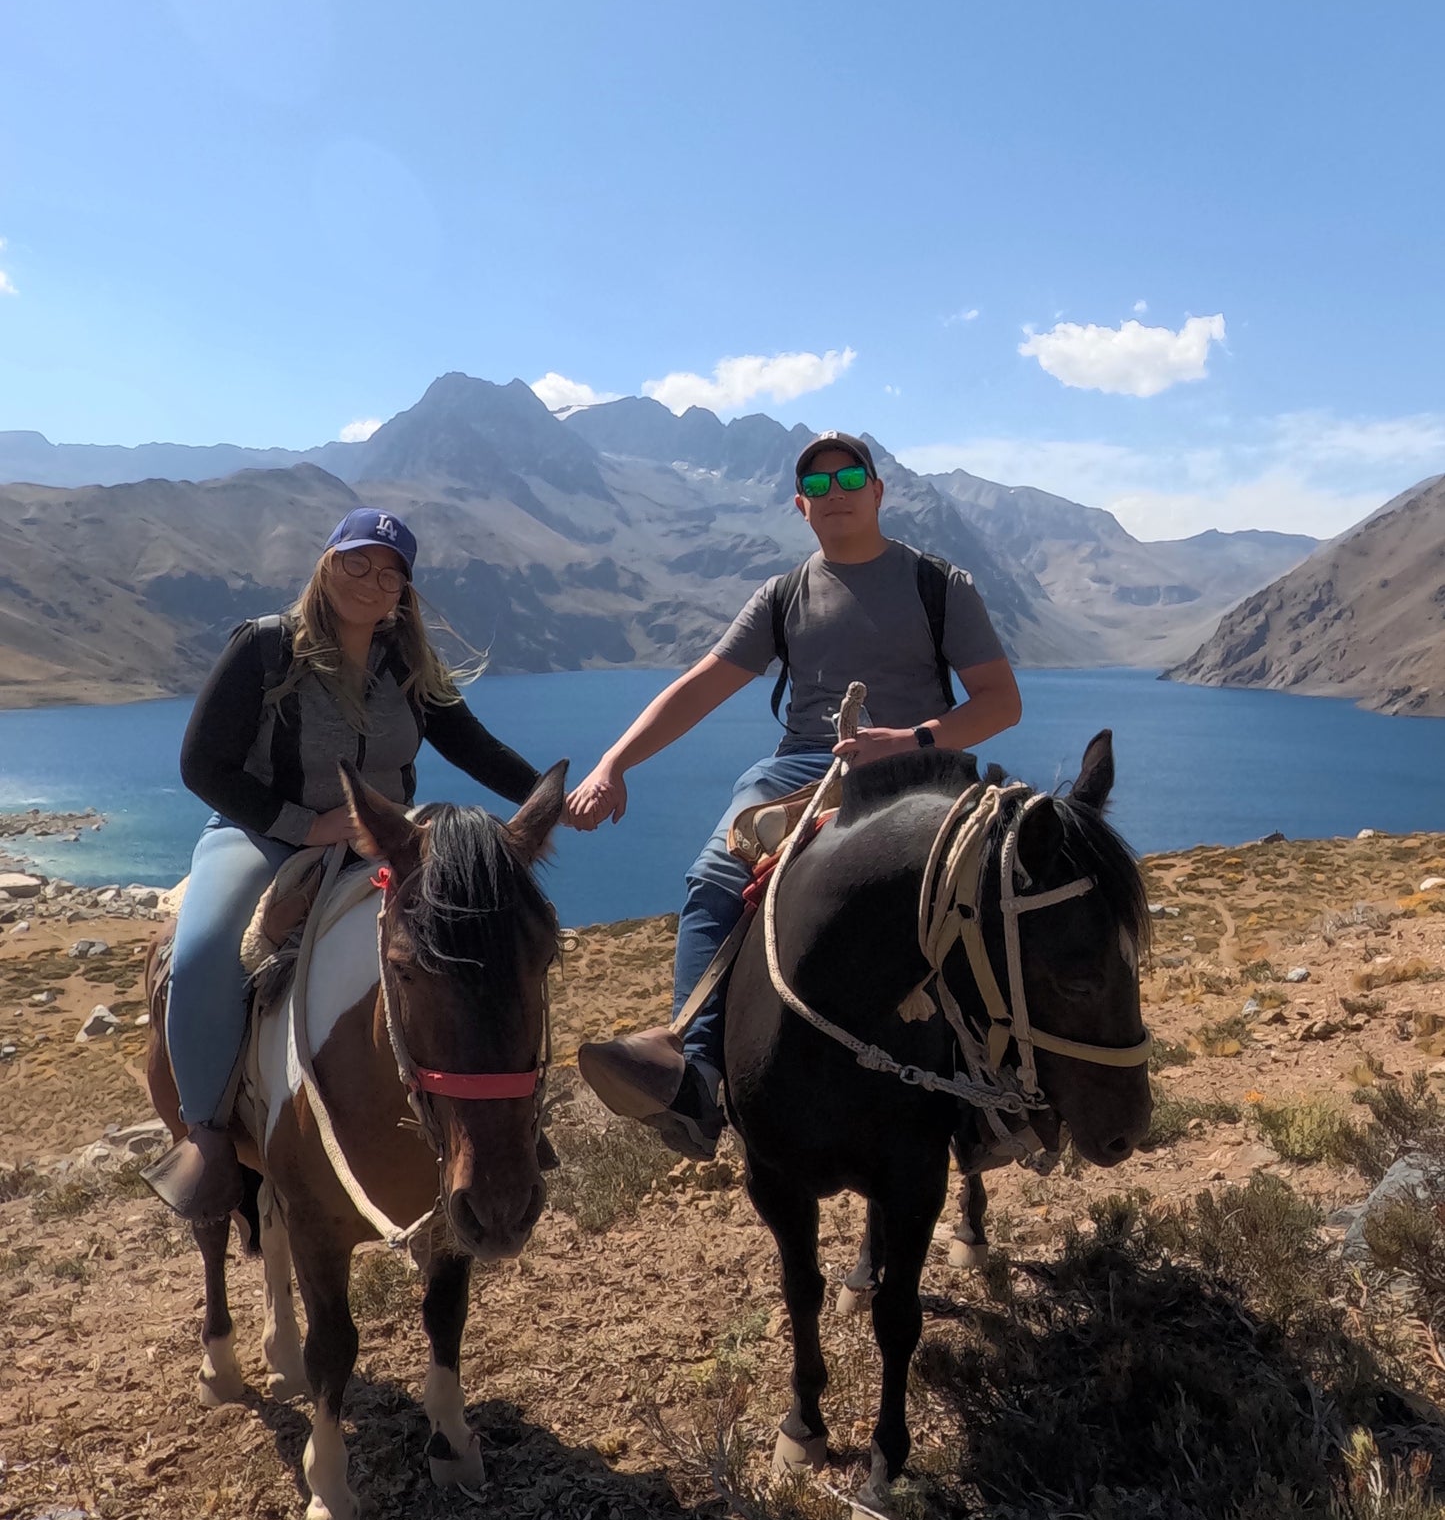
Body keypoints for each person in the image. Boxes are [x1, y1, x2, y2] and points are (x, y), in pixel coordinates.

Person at [566, 430, 1022, 1156]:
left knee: (998, 884)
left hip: (920, 767)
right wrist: (611, 764)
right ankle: (696, 1071)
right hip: (801, 767)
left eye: (848, 479)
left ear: (877, 492)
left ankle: (1006, 1094)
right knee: (715, 873)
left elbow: (999, 703)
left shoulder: (940, 587)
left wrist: (909, 741)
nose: (832, 493)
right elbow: (699, 687)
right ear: (799, 509)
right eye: (815, 486)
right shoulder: (781, 596)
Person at [145, 506, 545, 1222]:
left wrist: (551, 795)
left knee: (488, 942)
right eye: (356, 562)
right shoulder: (265, 647)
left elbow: (470, 744)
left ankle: (506, 1121)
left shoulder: (408, 661)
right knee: (204, 954)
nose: (371, 579)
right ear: (326, 566)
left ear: (404, 591)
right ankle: (206, 1134)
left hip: (388, 838)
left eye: (389, 571)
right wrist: (306, 824)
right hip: (264, 834)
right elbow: (202, 764)